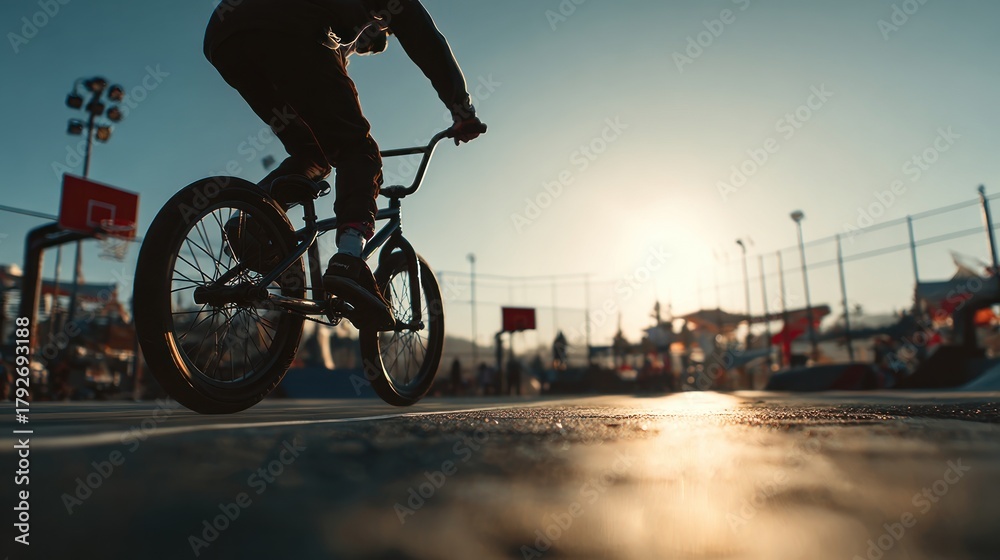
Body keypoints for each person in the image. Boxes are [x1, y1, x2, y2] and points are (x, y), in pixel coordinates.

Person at [203, 0, 486, 328]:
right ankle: (349, 258)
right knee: (359, 150)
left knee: (316, 154)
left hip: (226, 38)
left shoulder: (337, 35)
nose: (376, 36)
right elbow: (424, 36)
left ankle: (251, 219)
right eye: (380, 25)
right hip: (294, 28)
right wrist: (462, 110)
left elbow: (322, 84)